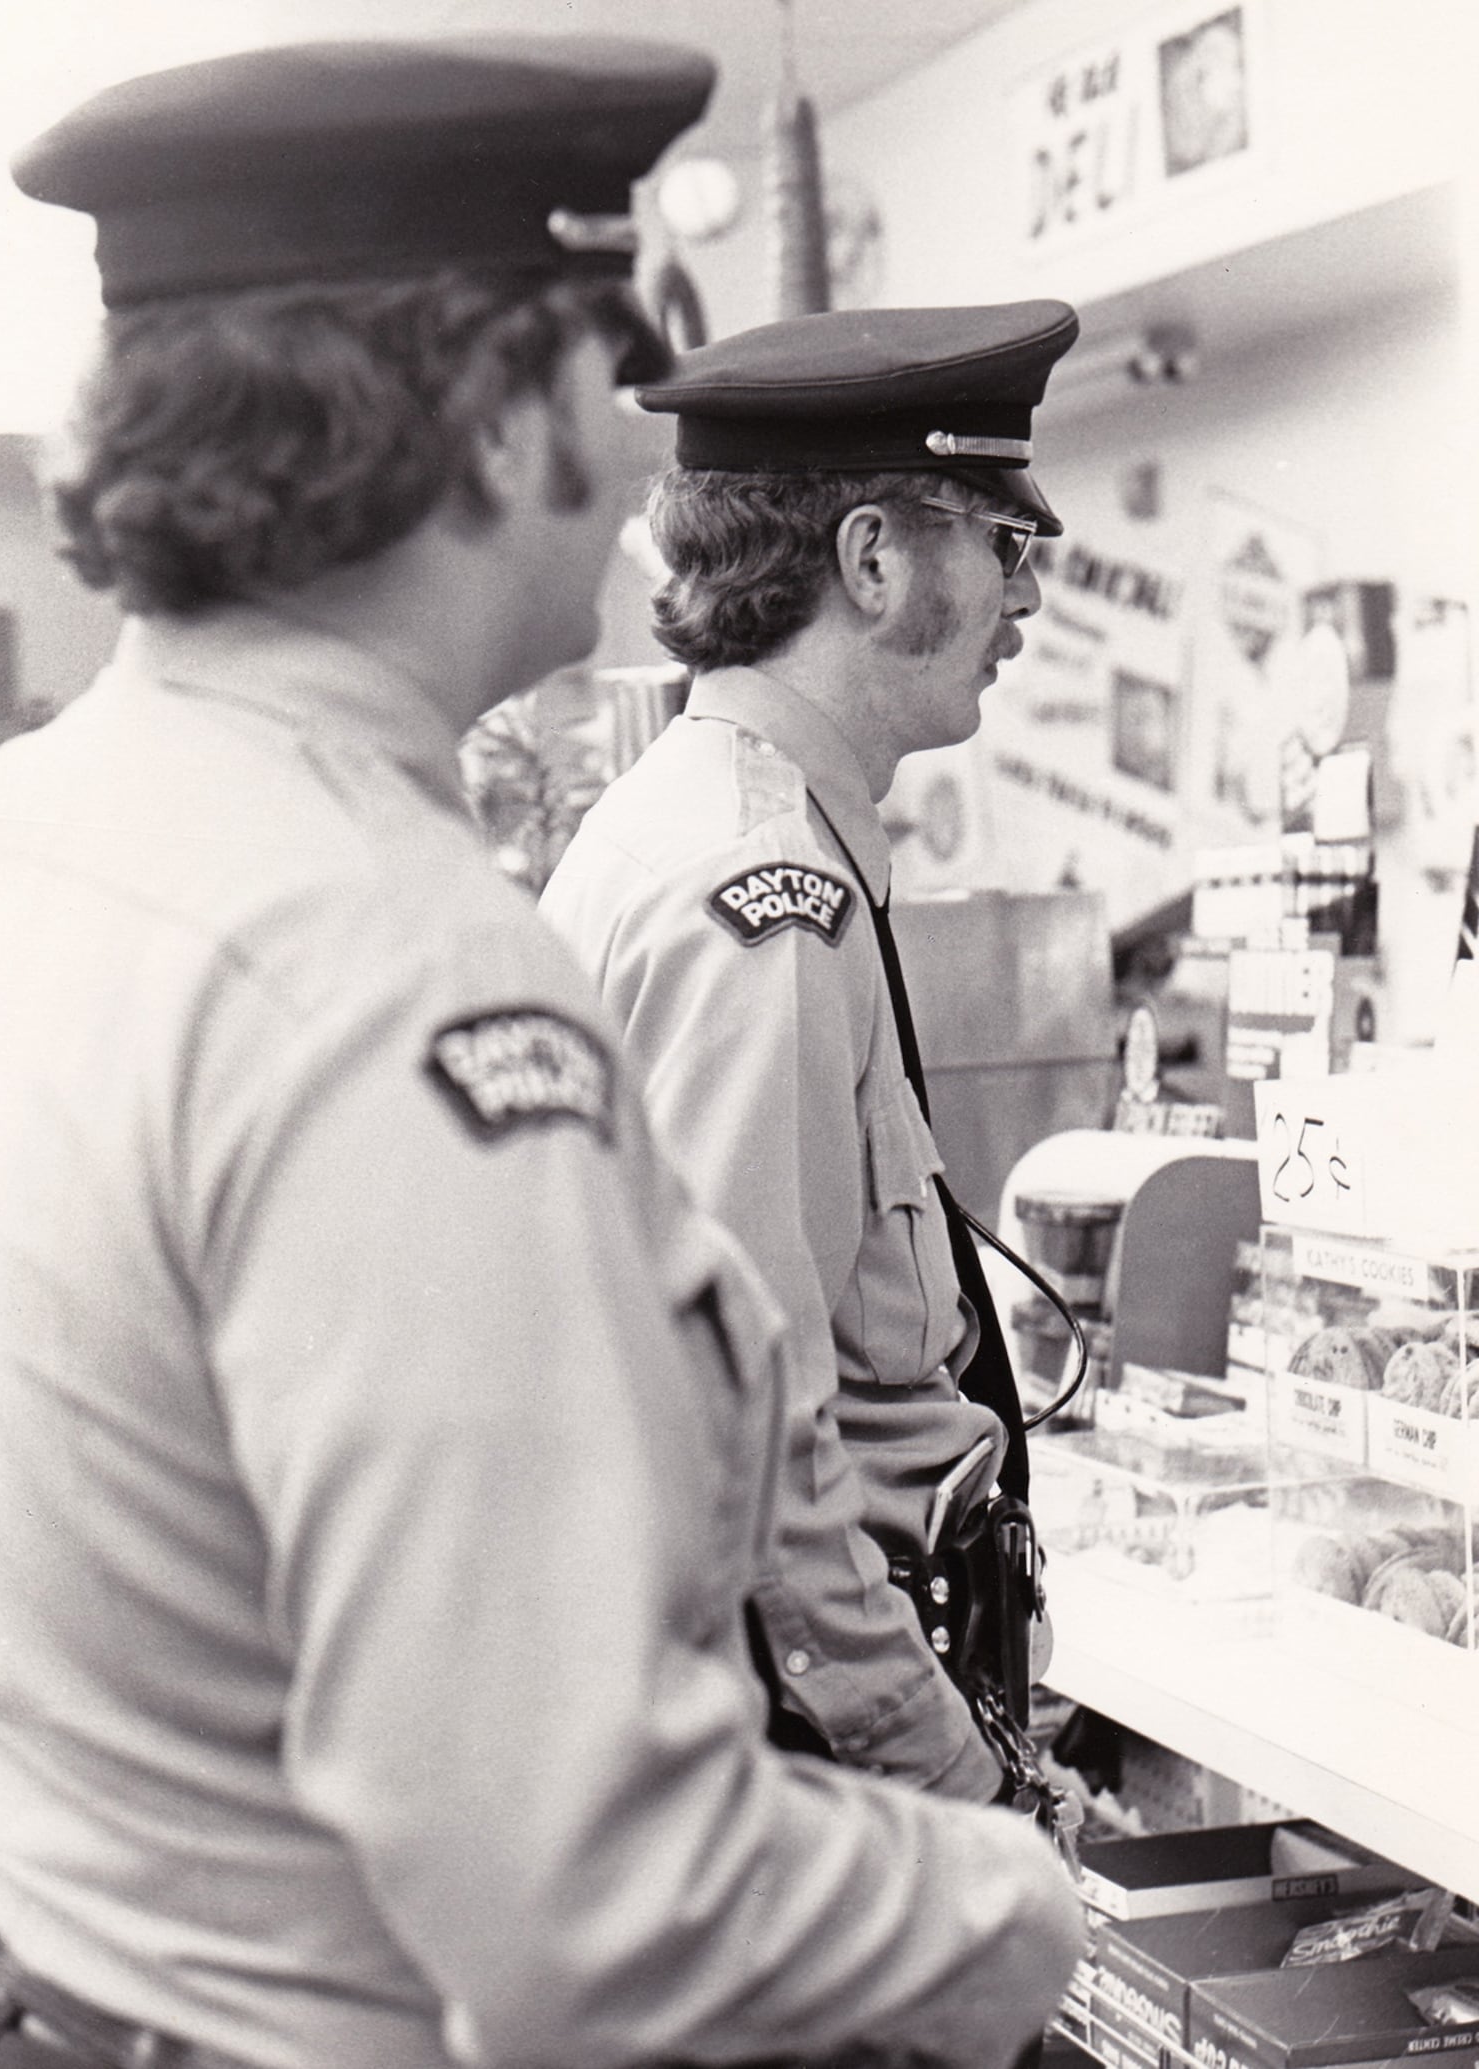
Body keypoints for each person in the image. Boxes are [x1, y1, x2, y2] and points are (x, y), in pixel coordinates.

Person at [0, 43, 1083, 2069]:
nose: (641, 477)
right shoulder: (385, 975)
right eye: (606, 385)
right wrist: (999, 1910)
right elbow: (585, 1899)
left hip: (46, 1979)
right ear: (491, 414)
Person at [542, 302, 1078, 1800]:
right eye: (1004, 543)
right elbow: (749, 1443)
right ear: (871, 560)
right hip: (808, 1761)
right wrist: (954, 1784)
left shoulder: (699, 823)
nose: (1026, 600)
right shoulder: (756, 897)